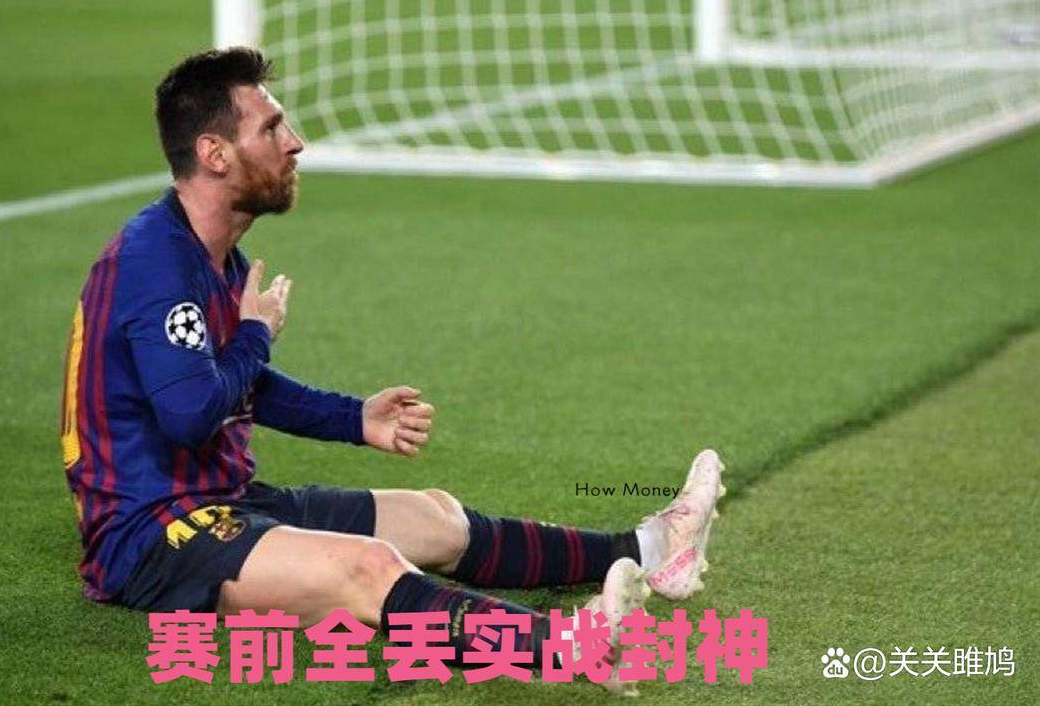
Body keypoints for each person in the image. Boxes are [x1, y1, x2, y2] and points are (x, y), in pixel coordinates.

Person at [58, 47, 724, 691]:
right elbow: (190, 412)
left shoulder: (210, 252)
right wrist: (256, 335)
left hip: (222, 498)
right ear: (215, 153)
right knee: (368, 568)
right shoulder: (154, 264)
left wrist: (354, 418)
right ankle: (572, 647)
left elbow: (232, 387)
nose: (295, 143)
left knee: (435, 518)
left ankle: (651, 547)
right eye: (272, 128)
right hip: (153, 536)